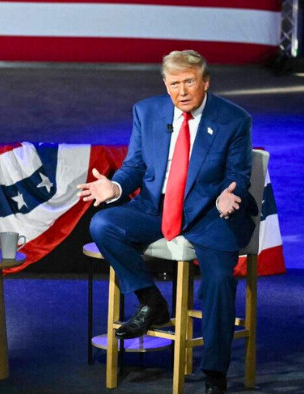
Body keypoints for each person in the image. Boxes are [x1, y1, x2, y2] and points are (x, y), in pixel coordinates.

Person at [77, 50, 257, 394]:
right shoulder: (147, 111)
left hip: (211, 214)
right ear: (165, 84)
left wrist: (226, 196)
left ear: (205, 82)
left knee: (219, 280)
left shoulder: (233, 119)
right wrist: (114, 186)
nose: (182, 91)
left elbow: (237, 174)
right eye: (175, 84)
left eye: (190, 81)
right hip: (156, 209)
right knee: (103, 224)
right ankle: (151, 301)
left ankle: (214, 373)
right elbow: (135, 166)